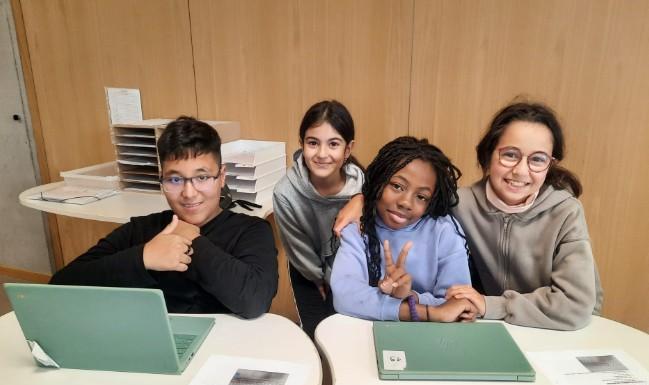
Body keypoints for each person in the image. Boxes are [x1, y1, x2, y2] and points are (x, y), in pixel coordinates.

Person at [335, 101, 603, 330]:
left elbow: (576, 305)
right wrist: (363, 199)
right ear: (488, 154)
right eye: (510, 155)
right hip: (490, 326)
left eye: (538, 159)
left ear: (551, 164)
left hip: (559, 328)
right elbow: (408, 194)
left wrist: (489, 305)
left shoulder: (566, 212)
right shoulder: (459, 205)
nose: (521, 171)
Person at [50, 116, 278, 319]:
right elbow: (60, 286)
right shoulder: (141, 229)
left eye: (202, 178)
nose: (189, 193)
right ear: (162, 180)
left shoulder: (251, 231)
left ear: (222, 177)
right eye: (175, 180)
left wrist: (194, 243)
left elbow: (255, 301)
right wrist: (143, 257)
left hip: (224, 346)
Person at [330, 136, 475, 322]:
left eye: (421, 197)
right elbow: (346, 296)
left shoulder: (444, 231)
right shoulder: (359, 226)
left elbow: (458, 303)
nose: (406, 202)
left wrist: (410, 296)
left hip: (434, 333)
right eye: (397, 186)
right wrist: (426, 312)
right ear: (379, 180)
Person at [272, 100, 364, 338]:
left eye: (333, 144)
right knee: (317, 334)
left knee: (348, 334)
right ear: (302, 144)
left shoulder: (362, 185)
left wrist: (361, 197)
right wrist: (317, 279)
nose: (322, 154)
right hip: (308, 271)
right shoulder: (285, 193)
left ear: (348, 149)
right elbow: (298, 247)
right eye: (313, 143)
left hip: (351, 272)